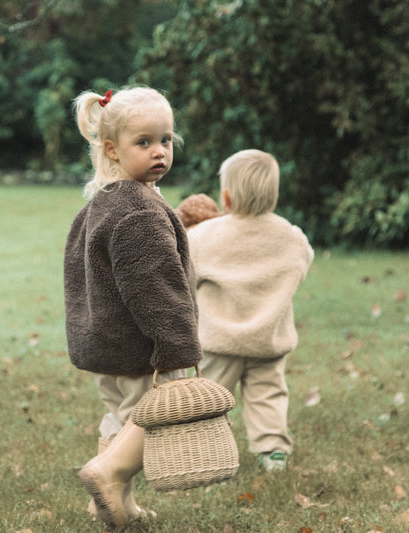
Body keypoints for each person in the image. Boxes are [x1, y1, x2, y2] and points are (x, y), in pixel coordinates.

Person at [63, 86, 202, 529]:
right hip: (142, 348)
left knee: (121, 418)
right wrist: (177, 347)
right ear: (112, 150)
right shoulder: (138, 210)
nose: (158, 151)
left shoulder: (103, 202)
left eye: (166, 140)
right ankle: (107, 474)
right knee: (154, 419)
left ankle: (111, 502)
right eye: (143, 143)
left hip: (108, 343)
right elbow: (156, 288)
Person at [186, 149, 314, 472]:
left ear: (225, 196)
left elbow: (186, 272)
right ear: (274, 195)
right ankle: (273, 452)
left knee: (210, 401)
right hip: (268, 341)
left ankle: (206, 453)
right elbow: (304, 262)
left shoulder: (203, 236)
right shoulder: (290, 236)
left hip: (219, 341)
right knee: (268, 396)